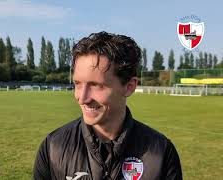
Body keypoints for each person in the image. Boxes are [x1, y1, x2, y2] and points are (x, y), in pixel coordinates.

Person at [33, 31, 182, 180]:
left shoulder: (161, 154)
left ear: (129, 86)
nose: (82, 98)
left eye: (96, 85)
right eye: (77, 84)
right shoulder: (53, 147)